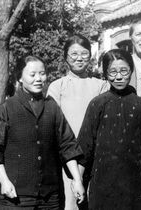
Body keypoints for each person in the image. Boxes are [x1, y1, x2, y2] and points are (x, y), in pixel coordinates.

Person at [0, 55, 85, 209]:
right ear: (20, 77)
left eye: (42, 73)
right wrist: (4, 181)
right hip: (16, 197)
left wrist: (77, 180)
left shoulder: (52, 107)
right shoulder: (7, 108)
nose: (38, 78)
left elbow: (68, 146)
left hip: (50, 198)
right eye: (32, 75)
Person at [77, 49, 141, 210]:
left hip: (134, 182)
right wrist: (79, 182)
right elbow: (85, 147)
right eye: (113, 72)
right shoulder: (97, 104)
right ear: (106, 74)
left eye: (124, 71)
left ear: (131, 70)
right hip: (102, 182)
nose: (119, 76)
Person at [47, 34, 109, 210]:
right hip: (67, 159)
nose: (79, 58)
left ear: (90, 55)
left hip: (96, 157)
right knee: (70, 203)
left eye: (84, 53)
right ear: (66, 56)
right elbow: (54, 126)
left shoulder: (100, 85)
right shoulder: (57, 86)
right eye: (74, 54)